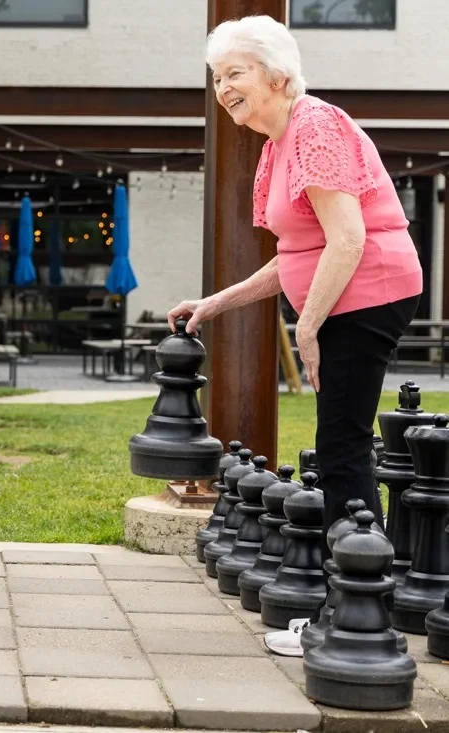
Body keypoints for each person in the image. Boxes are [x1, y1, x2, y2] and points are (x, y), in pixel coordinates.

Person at [167, 15, 422, 656]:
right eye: (217, 77)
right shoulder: (281, 141)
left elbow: (350, 238)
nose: (224, 88)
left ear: (278, 75)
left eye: (236, 73)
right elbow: (297, 254)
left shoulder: (313, 126)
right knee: (341, 446)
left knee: (340, 449)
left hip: (369, 295)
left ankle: (358, 612)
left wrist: (306, 326)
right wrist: (219, 302)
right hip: (346, 300)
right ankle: (358, 602)